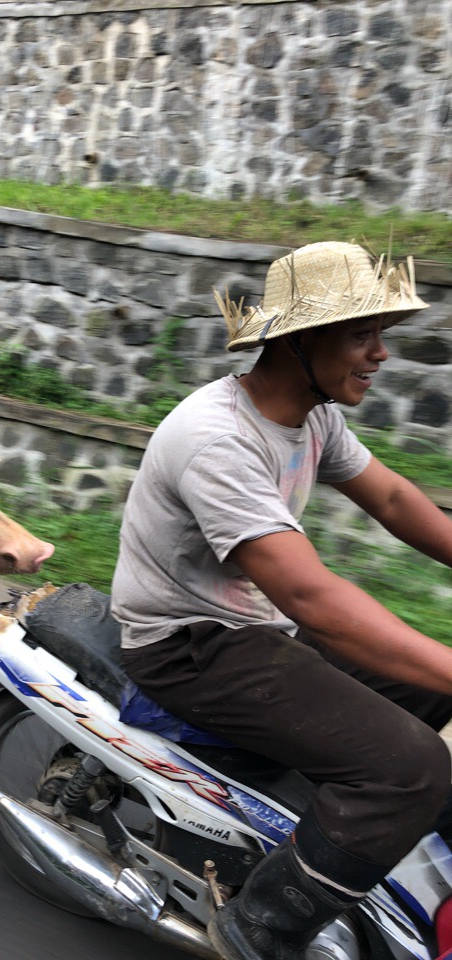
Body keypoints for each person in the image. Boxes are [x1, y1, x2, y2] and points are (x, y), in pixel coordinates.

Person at [111, 241, 452, 960]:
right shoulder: (218, 440)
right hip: (189, 644)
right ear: (301, 342)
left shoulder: (313, 416)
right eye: (362, 335)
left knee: (430, 693)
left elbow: (393, 498)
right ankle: (262, 924)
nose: (381, 353)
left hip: (255, 626)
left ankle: (385, 863)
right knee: (410, 766)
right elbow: (310, 597)